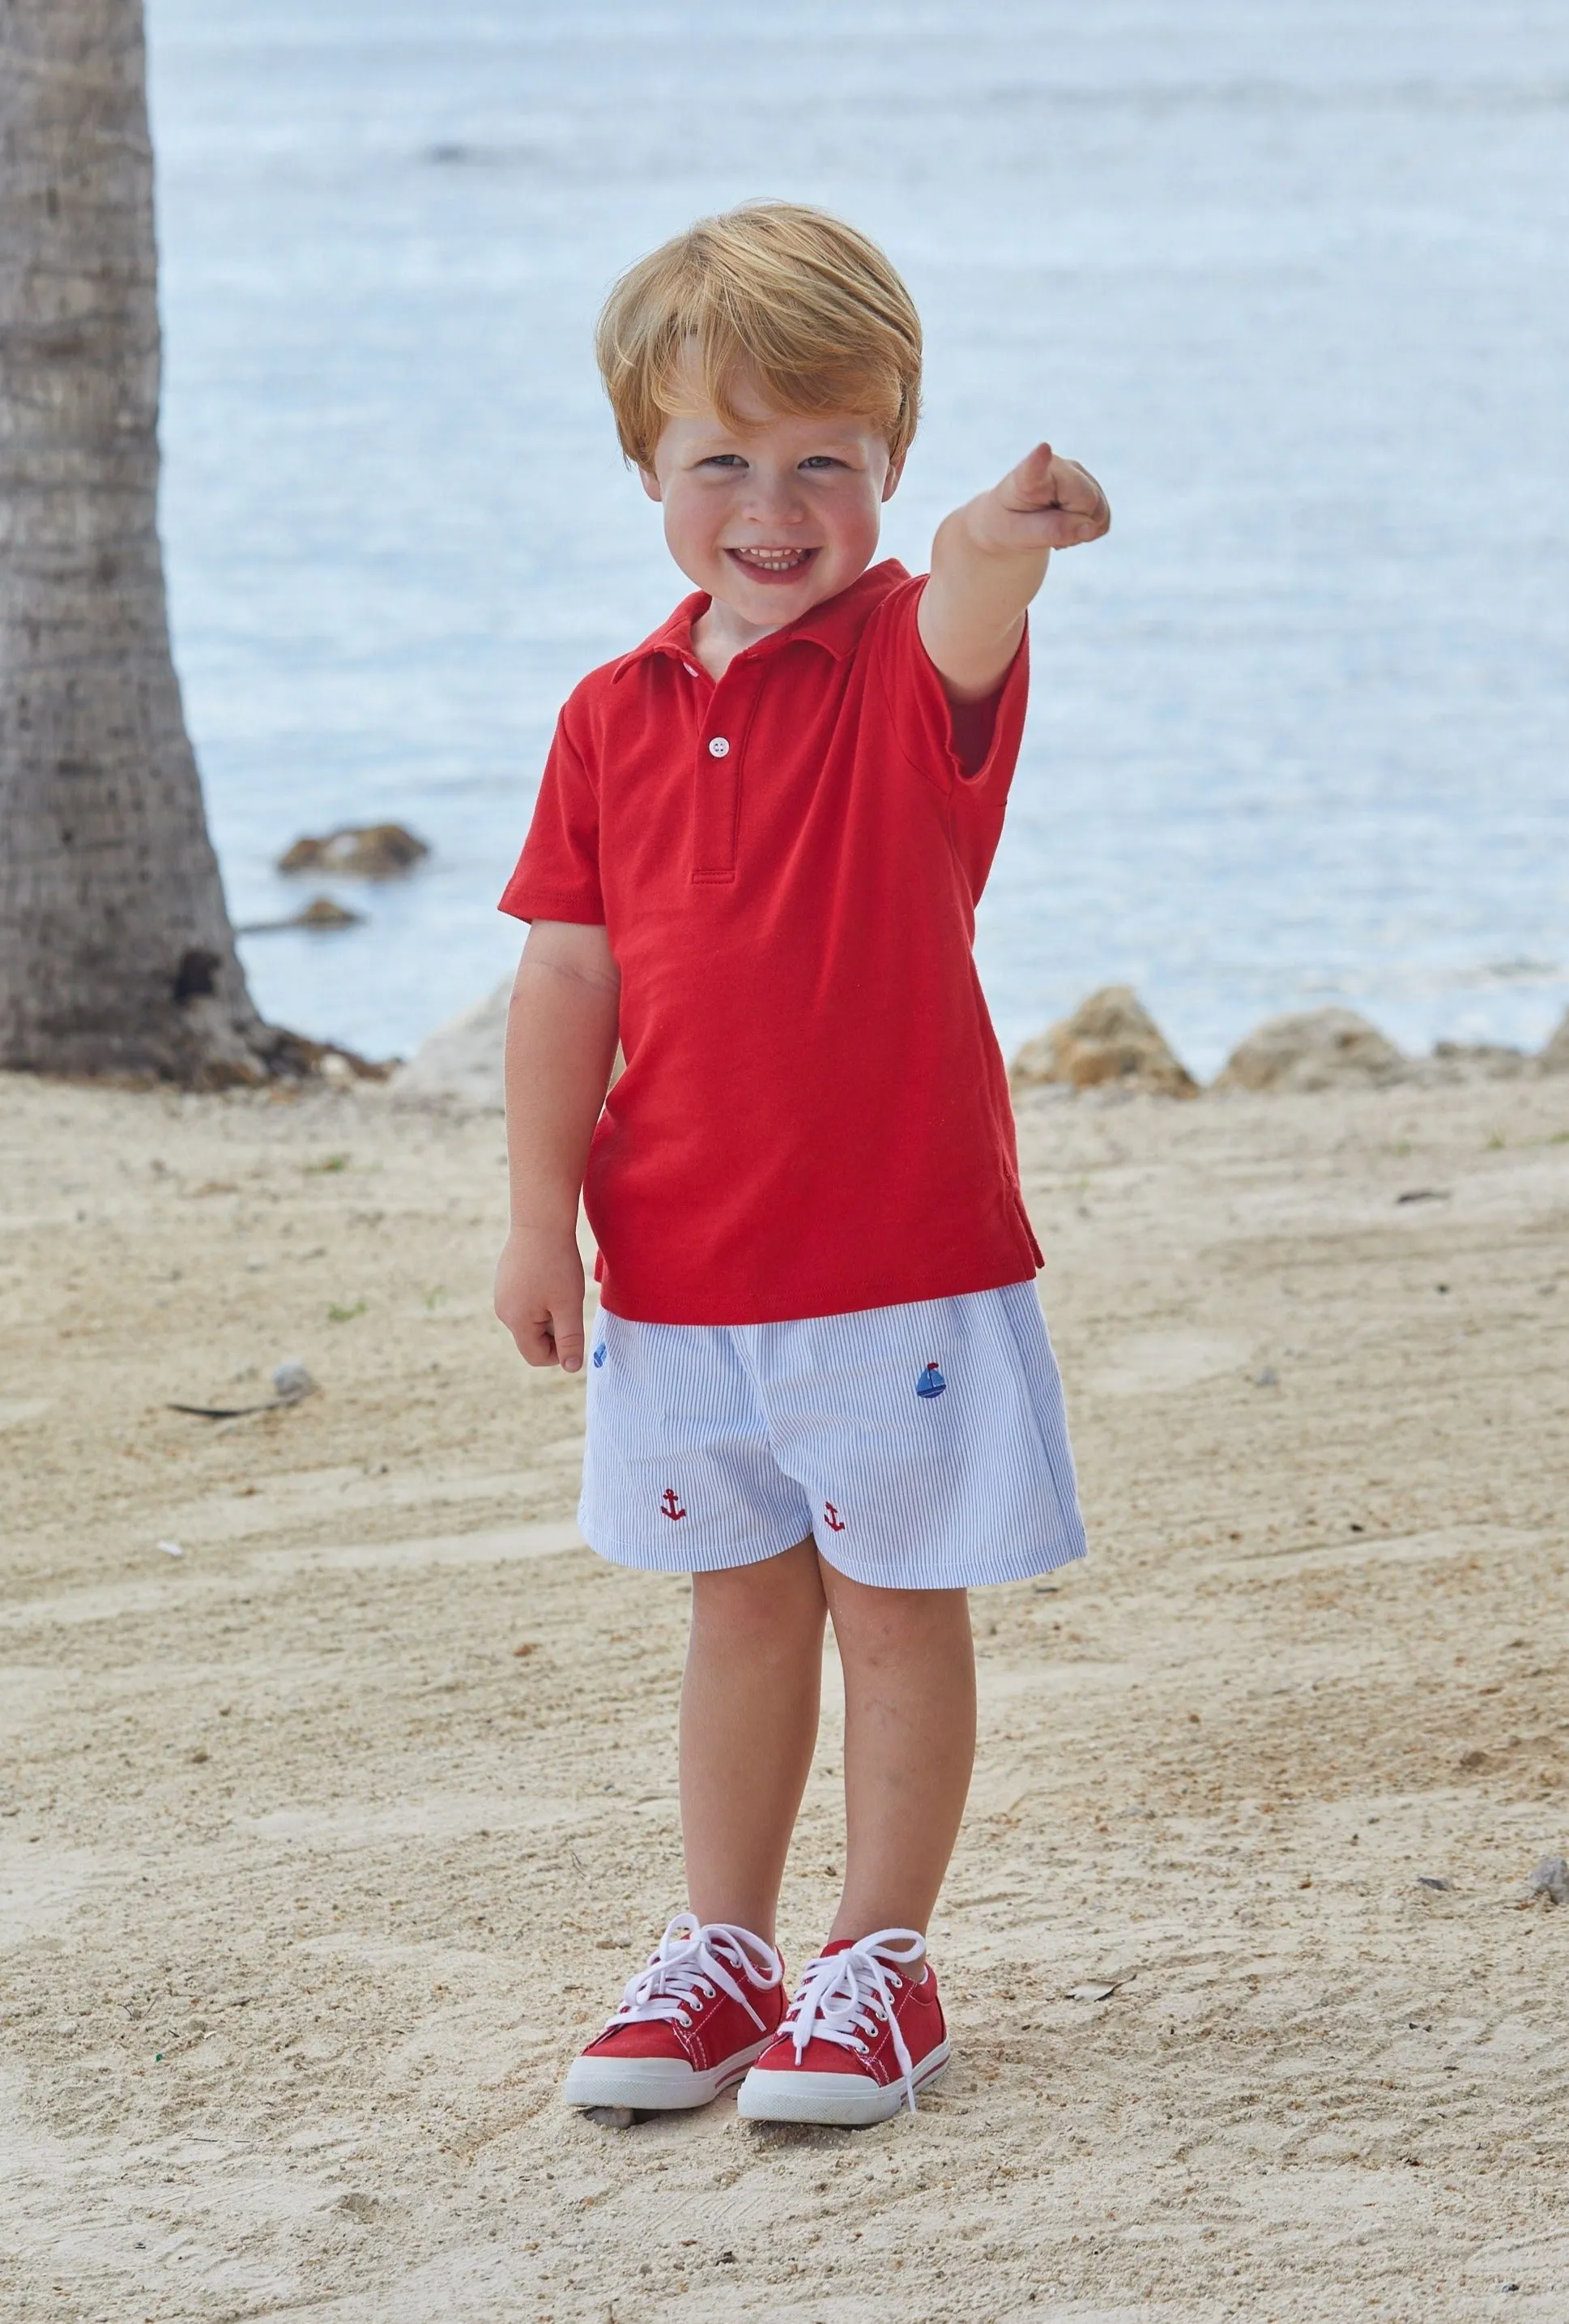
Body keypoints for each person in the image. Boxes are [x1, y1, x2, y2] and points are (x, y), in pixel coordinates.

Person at [493, 201, 1108, 2128]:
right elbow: (566, 974)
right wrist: (535, 1220)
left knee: (888, 1599)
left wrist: (999, 546)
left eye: (822, 459)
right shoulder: (608, 715)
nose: (772, 502)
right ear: (645, 471)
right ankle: (726, 1949)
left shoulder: (900, 669)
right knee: (738, 1604)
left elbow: (964, 609)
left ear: (889, 469)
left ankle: (878, 1962)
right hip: (676, 1270)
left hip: (895, 1260)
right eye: (722, 460)